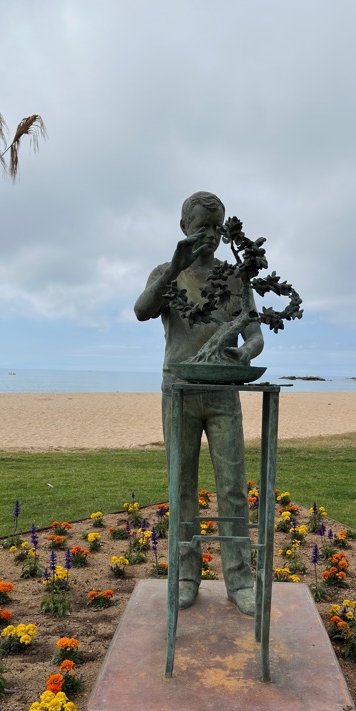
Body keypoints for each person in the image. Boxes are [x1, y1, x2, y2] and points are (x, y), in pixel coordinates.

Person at [134, 191, 263, 615]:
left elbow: (255, 334)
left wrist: (244, 353)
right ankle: (186, 574)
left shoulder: (235, 277)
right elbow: (142, 310)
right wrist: (175, 267)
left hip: (223, 393)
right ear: (183, 227)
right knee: (182, 487)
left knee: (233, 488)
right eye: (201, 227)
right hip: (179, 392)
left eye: (216, 227)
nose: (209, 234)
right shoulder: (166, 273)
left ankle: (239, 579)